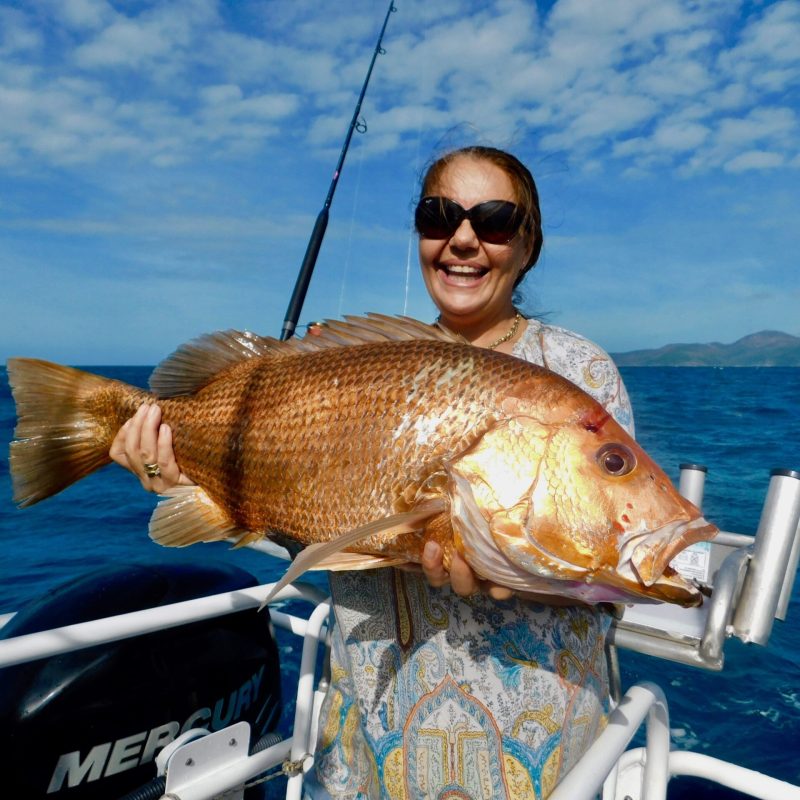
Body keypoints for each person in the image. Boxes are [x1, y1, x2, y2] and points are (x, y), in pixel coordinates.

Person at [110, 145, 634, 799]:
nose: (463, 239)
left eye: (494, 221)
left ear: (527, 245)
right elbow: (303, 516)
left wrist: (513, 571)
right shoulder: (368, 361)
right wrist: (182, 474)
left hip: (530, 755)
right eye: (438, 216)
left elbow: (617, 560)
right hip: (371, 739)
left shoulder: (577, 374)